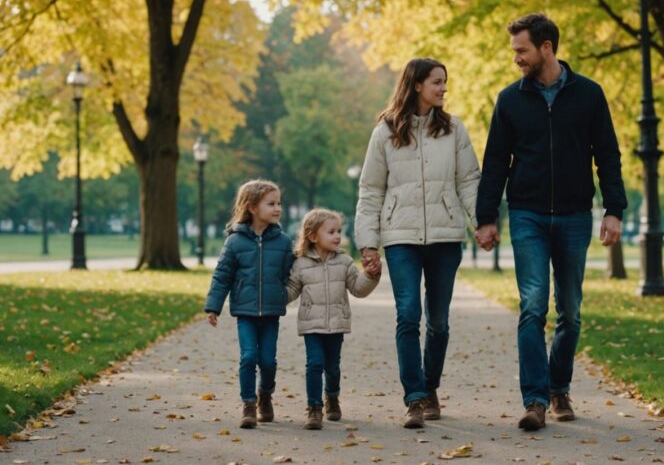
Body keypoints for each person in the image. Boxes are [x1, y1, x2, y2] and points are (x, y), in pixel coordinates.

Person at [475, 13, 627, 431]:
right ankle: (536, 400)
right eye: (514, 51)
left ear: (546, 47)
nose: (516, 59)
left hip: (576, 215)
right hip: (527, 214)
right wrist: (487, 217)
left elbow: (608, 155)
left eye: (522, 50)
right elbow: (494, 163)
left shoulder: (589, 94)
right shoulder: (509, 99)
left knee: (571, 312)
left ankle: (560, 387)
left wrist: (613, 209)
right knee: (532, 306)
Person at [355, 58, 481, 428]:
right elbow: (370, 190)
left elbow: (468, 181)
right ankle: (414, 397)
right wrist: (368, 243)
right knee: (408, 314)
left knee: (438, 322)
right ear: (416, 85)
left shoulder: (454, 130)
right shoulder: (386, 132)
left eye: (445, 82)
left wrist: (481, 224)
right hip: (401, 237)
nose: (443, 89)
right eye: (437, 82)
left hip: (445, 237)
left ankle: (430, 387)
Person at [204, 179, 294, 429]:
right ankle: (248, 404)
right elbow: (222, 275)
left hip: (271, 312)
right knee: (248, 357)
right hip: (245, 310)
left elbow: (291, 274)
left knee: (268, 360)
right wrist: (213, 306)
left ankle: (265, 395)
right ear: (253, 207)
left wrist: (282, 293)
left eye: (279, 203)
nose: (278, 208)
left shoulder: (284, 242)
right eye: (271, 203)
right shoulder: (234, 241)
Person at [286, 208, 381, 430]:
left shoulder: (345, 262)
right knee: (315, 364)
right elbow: (291, 290)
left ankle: (332, 397)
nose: (337, 236)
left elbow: (358, 289)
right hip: (312, 324)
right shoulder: (300, 264)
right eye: (331, 232)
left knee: (333, 367)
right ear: (313, 236)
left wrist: (370, 275)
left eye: (339, 231)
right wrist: (274, 294)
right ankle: (314, 408)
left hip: (337, 323)